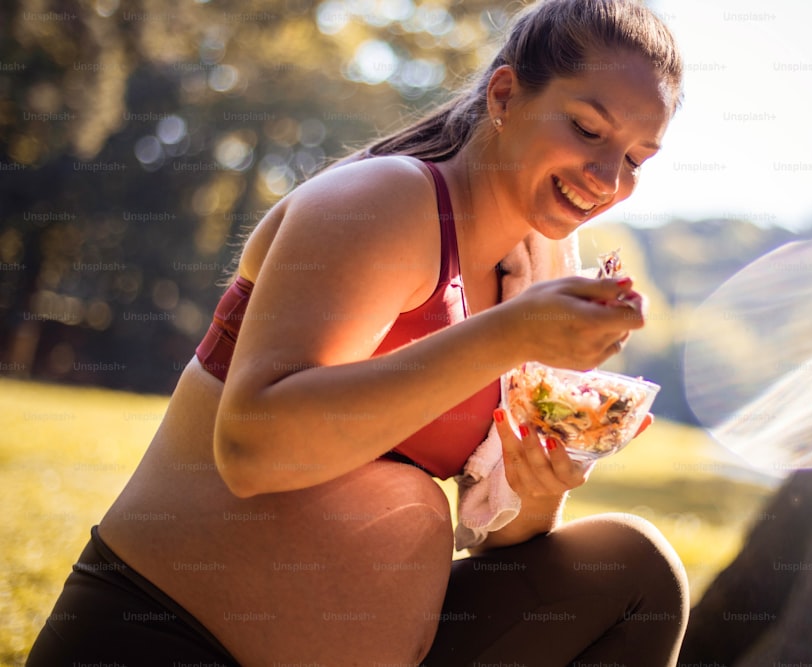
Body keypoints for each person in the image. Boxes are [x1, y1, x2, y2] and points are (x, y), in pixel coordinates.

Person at [27, 0, 688, 664]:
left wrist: (543, 486)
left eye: (636, 158)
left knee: (638, 575)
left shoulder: (535, 273)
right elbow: (254, 448)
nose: (607, 179)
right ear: (506, 94)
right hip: (166, 637)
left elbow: (501, 534)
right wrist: (506, 336)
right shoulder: (386, 202)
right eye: (585, 128)